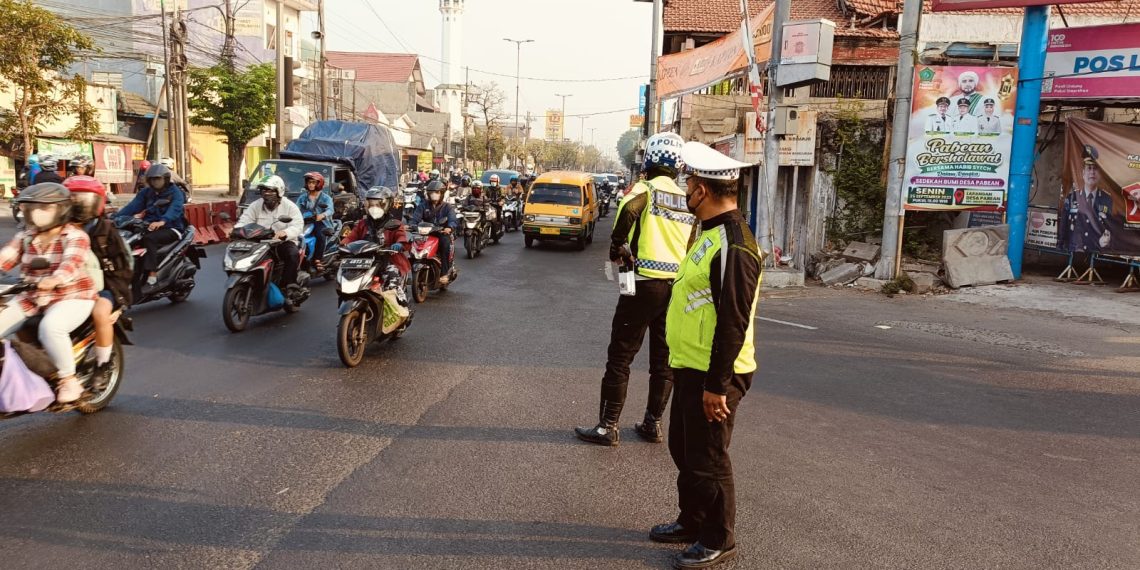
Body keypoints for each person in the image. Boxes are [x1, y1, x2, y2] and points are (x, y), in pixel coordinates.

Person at [649, 141, 763, 570]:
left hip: (718, 372)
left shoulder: (734, 246)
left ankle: (719, 538)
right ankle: (691, 521)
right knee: (684, 448)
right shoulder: (709, 234)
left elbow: (733, 321)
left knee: (709, 457)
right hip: (691, 364)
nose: (685, 192)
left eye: (689, 185)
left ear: (701, 189)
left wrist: (718, 386)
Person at [574, 132, 697, 447]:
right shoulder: (685, 200)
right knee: (663, 359)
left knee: (621, 356)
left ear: (650, 160)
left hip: (643, 283)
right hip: (676, 287)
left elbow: (627, 211)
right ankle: (653, 424)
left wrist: (617, 246)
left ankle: (607, 426)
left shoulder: (646, 189)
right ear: (678, 165)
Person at [0, 183, 98, 403]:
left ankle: (69, 380)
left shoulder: (74, 236)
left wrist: (54, 279)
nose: (36, 213)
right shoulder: (27, 235)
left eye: (44, 208)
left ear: (61, 209)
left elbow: (71, 264)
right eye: (32, 208)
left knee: (51, 328)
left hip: (72, 296)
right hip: (31, 297)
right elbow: (6, 256)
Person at [64, 176, 132, 384]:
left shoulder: (106, 231)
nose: (80, 205)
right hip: (65, 287)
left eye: (85, 200)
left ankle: (102, 365)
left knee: (100, 313)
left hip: (105, 286)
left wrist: (119, 304)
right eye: (74, 199)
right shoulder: (57, 228)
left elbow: (124, 266)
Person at [114, 162, 185, 289]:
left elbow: (175, 209)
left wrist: (162, 221)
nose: (154, 182)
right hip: (149, 225)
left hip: (172, 227)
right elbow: (132, 207)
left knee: (149, 239)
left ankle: (152, 274)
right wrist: (114, 218)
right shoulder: (147, 192)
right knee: (129, 236)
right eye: (152, 179)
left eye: (157, 179)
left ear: (166, 179)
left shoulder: (176, 192)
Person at [341, 186, 411, 307]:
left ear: (387, 205)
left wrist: (398, 244)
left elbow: (401, 236)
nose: (374, 208)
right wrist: (343, 245)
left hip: (387, 259)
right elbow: (351, 237)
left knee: (392, 279)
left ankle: (401, 305)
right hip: (363, 260)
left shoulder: (394, 223)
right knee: (345, 278)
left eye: (378, 204)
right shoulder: (362, 223)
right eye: (371, 204)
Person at [237, 175, 304, 291]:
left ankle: (289, 285)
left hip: (280, 243)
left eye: (270, 190)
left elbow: (298, 225)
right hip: (259, 243)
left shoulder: (290, 206)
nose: (266, 193)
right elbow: (244, 220)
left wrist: (285, 232)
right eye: (264, 190)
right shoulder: (255, 205)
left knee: (292, 254)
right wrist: (236, 230)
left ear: (279, 191)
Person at [1058, 144, 1113, 252]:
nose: (1092, 172)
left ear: (1100, 174)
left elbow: (1110, 227)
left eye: (1095, 169)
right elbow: (1064, 222)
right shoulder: (1072, 197)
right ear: (1083, 173)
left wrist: (1106, 241)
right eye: (1089, 168)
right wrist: (1060, 244)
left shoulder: (1107, 199)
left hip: (1096, 249)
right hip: (1074, 247)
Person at [410, 179, 458, 283]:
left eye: (436, 193)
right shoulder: (423, 205)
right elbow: (415, 218)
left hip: (442, 233)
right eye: (432, 193)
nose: (434, 195)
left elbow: (453, 220)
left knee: (445, 244)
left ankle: (445, 273)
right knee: (412, 244)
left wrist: (449, 227)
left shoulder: (447, 207)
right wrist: (411, 225)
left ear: (441, 193)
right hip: (427, 233)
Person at [296, 172, 334, 271]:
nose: (311, 185)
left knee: (320, 235)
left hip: (321, 223)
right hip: (306, 222)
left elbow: (330, 210)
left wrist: (322, 215)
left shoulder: (326, 198)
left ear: (319, 184)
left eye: (313, 183)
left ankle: (318, 259)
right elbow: (296, 208)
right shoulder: (303, 197)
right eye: (309, 183)